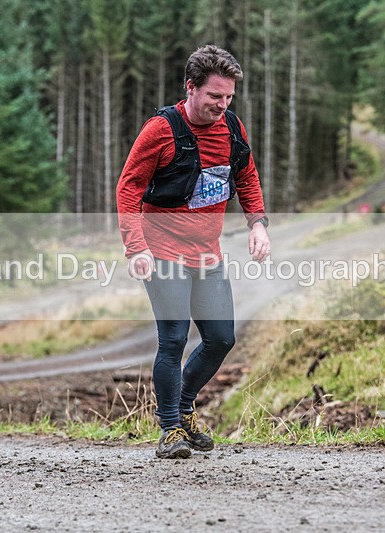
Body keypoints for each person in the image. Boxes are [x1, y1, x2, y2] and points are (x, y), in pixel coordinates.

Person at [116, 44, 270, 459]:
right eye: (214, 96)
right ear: (191, 87)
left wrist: (257, 223)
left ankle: (182, 408)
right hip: (162, 250)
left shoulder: (231, 127)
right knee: (173, 339)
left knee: (221, 338)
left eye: (229, 97)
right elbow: (129, 188)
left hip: (207, 254)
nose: (222, 105)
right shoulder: (161, 130)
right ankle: (169, 430)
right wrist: (136, 248)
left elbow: (246, 175)